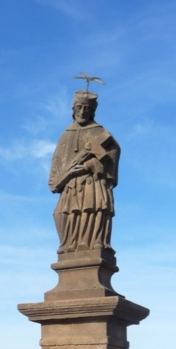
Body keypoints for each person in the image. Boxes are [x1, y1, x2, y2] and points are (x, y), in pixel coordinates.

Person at [48, 91, 120, 253]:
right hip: (70, 184)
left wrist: (89, 165)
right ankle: (68, 245)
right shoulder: (66, 135)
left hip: (92, 182)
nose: (82, 112)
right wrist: (59, 177)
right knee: (61, 213)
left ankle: (94, 244)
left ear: (93, 111)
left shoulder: (100, 133)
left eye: (87, 108)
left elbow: (113, 154)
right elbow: (58, 161)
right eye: (79, 107)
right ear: (73, 109)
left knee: (92, 209)